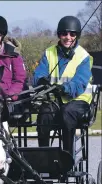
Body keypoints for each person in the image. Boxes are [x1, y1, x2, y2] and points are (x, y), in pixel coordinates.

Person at [32, 16, 93, 156]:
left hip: (78, 101)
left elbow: (79, 83)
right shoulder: (49, 53)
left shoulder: (83, 56)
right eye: (64, 33)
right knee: (44, 113)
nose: (68, 37)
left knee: (67, 112)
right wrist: (41, 81)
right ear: (59, 34)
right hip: (55, 101)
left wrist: (64, 88)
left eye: (72, 34)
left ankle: (67, 157)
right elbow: (38, 74)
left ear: (77, 36)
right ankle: (44, 158)